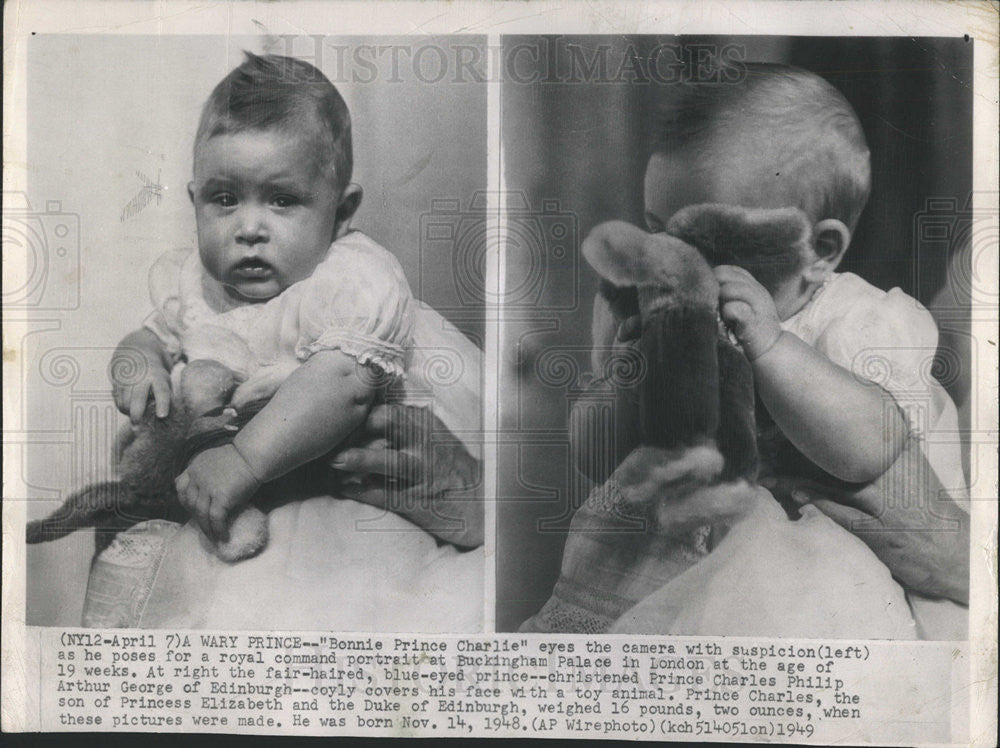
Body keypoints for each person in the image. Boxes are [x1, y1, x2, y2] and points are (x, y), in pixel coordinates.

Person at [527, 63, 968, 639]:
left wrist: (774, 346)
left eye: (704, 244)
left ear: (821, 250)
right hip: (645, 565)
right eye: (656, 229)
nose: (671, 263)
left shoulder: (861, 320)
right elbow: (593, 455)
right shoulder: (646, 309)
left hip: (796, 579)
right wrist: (624, 383)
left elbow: (872, 452)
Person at [84, 52, 482, 630]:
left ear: (341, 212)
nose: (248, 227)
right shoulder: (195, 285)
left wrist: (244, 459)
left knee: (349, 585)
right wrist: (137, 363)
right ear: (193, 201)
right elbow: (153, 334)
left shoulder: (351, 280)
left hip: (336, 475)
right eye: (224, 198)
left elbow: (343, 383)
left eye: (282, 200)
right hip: (240, 480)